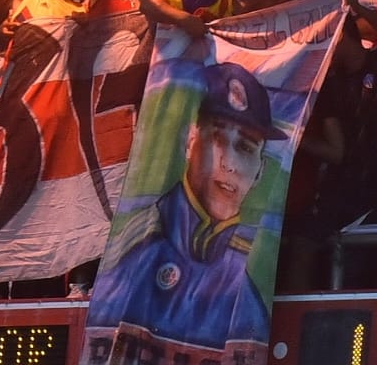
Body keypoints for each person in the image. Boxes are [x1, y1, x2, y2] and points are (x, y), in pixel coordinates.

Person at [91, 62, 281, 348]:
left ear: (260, 171)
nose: (228, 164)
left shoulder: (249, 269)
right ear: (190, 141)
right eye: (217, 139)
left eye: (245, 148)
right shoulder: (141, 241)